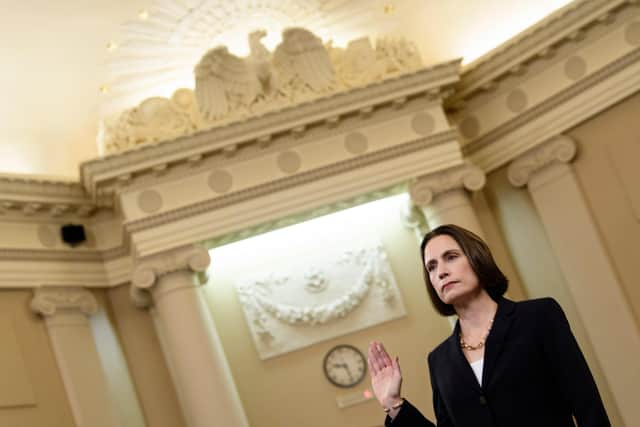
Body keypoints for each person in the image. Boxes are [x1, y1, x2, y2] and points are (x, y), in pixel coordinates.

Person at [367, 224, 610, 427]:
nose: (440, 272)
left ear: (476, 259)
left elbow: (587, 403)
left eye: (451, 257)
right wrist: (393, 403)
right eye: (431, 267)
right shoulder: (439, 360)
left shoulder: (538, 317)